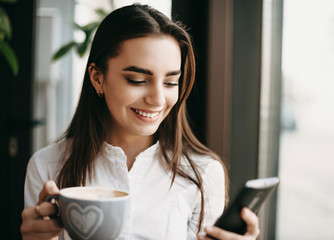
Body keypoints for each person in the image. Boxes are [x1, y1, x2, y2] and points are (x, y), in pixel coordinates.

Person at [20, 4, 260, 240]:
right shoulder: (47, 167)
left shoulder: (203, 174)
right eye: (137, 80)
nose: (157, 99)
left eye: (170, 83)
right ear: (97, 78)